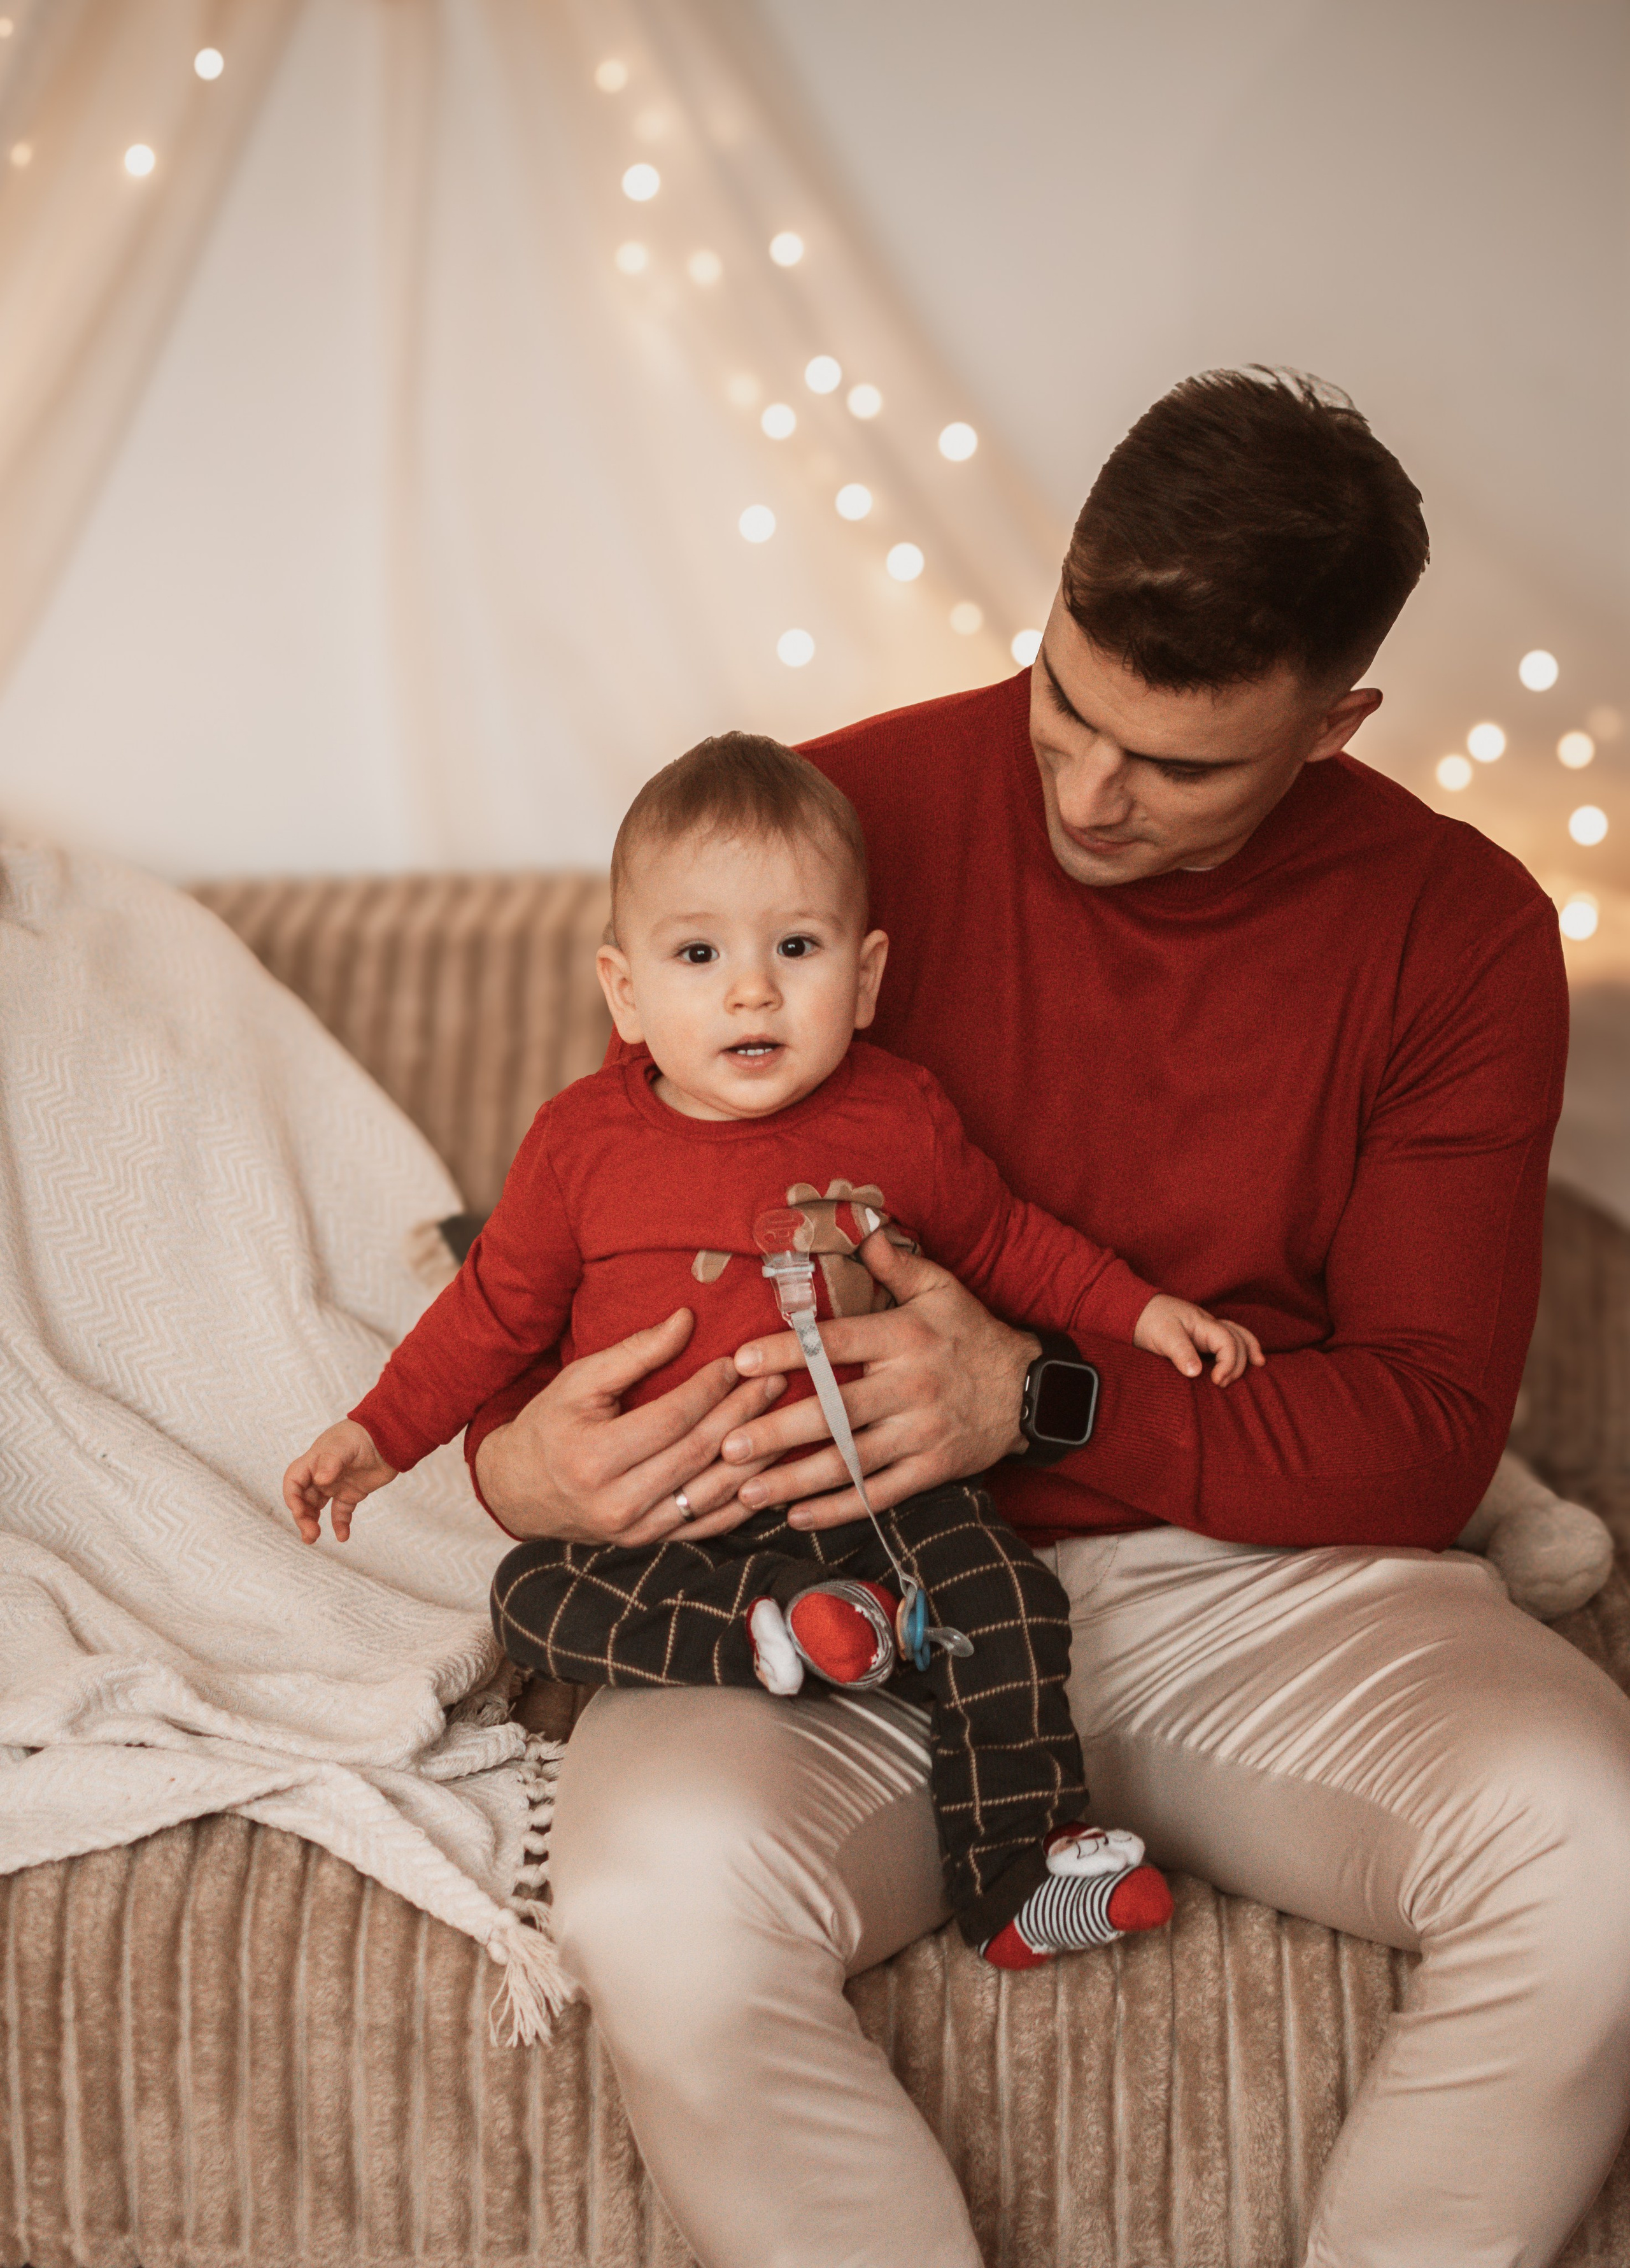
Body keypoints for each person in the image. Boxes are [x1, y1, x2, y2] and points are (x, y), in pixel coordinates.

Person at [472, 371, 1630, 2268]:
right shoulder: (823, 831)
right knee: (656, 1889)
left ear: (1336, 726)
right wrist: (524, 1454)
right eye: (1065, 706)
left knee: (1599, 1852)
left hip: (1263, 1582)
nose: (1087, 797)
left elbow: (1422, 1437)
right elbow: (596, 1233)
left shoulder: (1461, 929)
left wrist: (1040, 1396)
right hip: (843, 1590)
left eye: (1178, 769)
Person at [283, 731, 1270, 1964]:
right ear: (625, 990)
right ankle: (783, 1628)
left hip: (868, 1490)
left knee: (1009, 1598)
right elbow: (491, 1311)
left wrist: (1137, 1310)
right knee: (528, 1596)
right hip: (673, 1524)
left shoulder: (895, 1112)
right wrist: (378, 1430)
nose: (750, 991)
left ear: (862, 979)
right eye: (698, 955)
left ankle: (1016, 1874)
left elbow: (1013, 1243)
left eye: (793, 950)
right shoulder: (581, 1144)